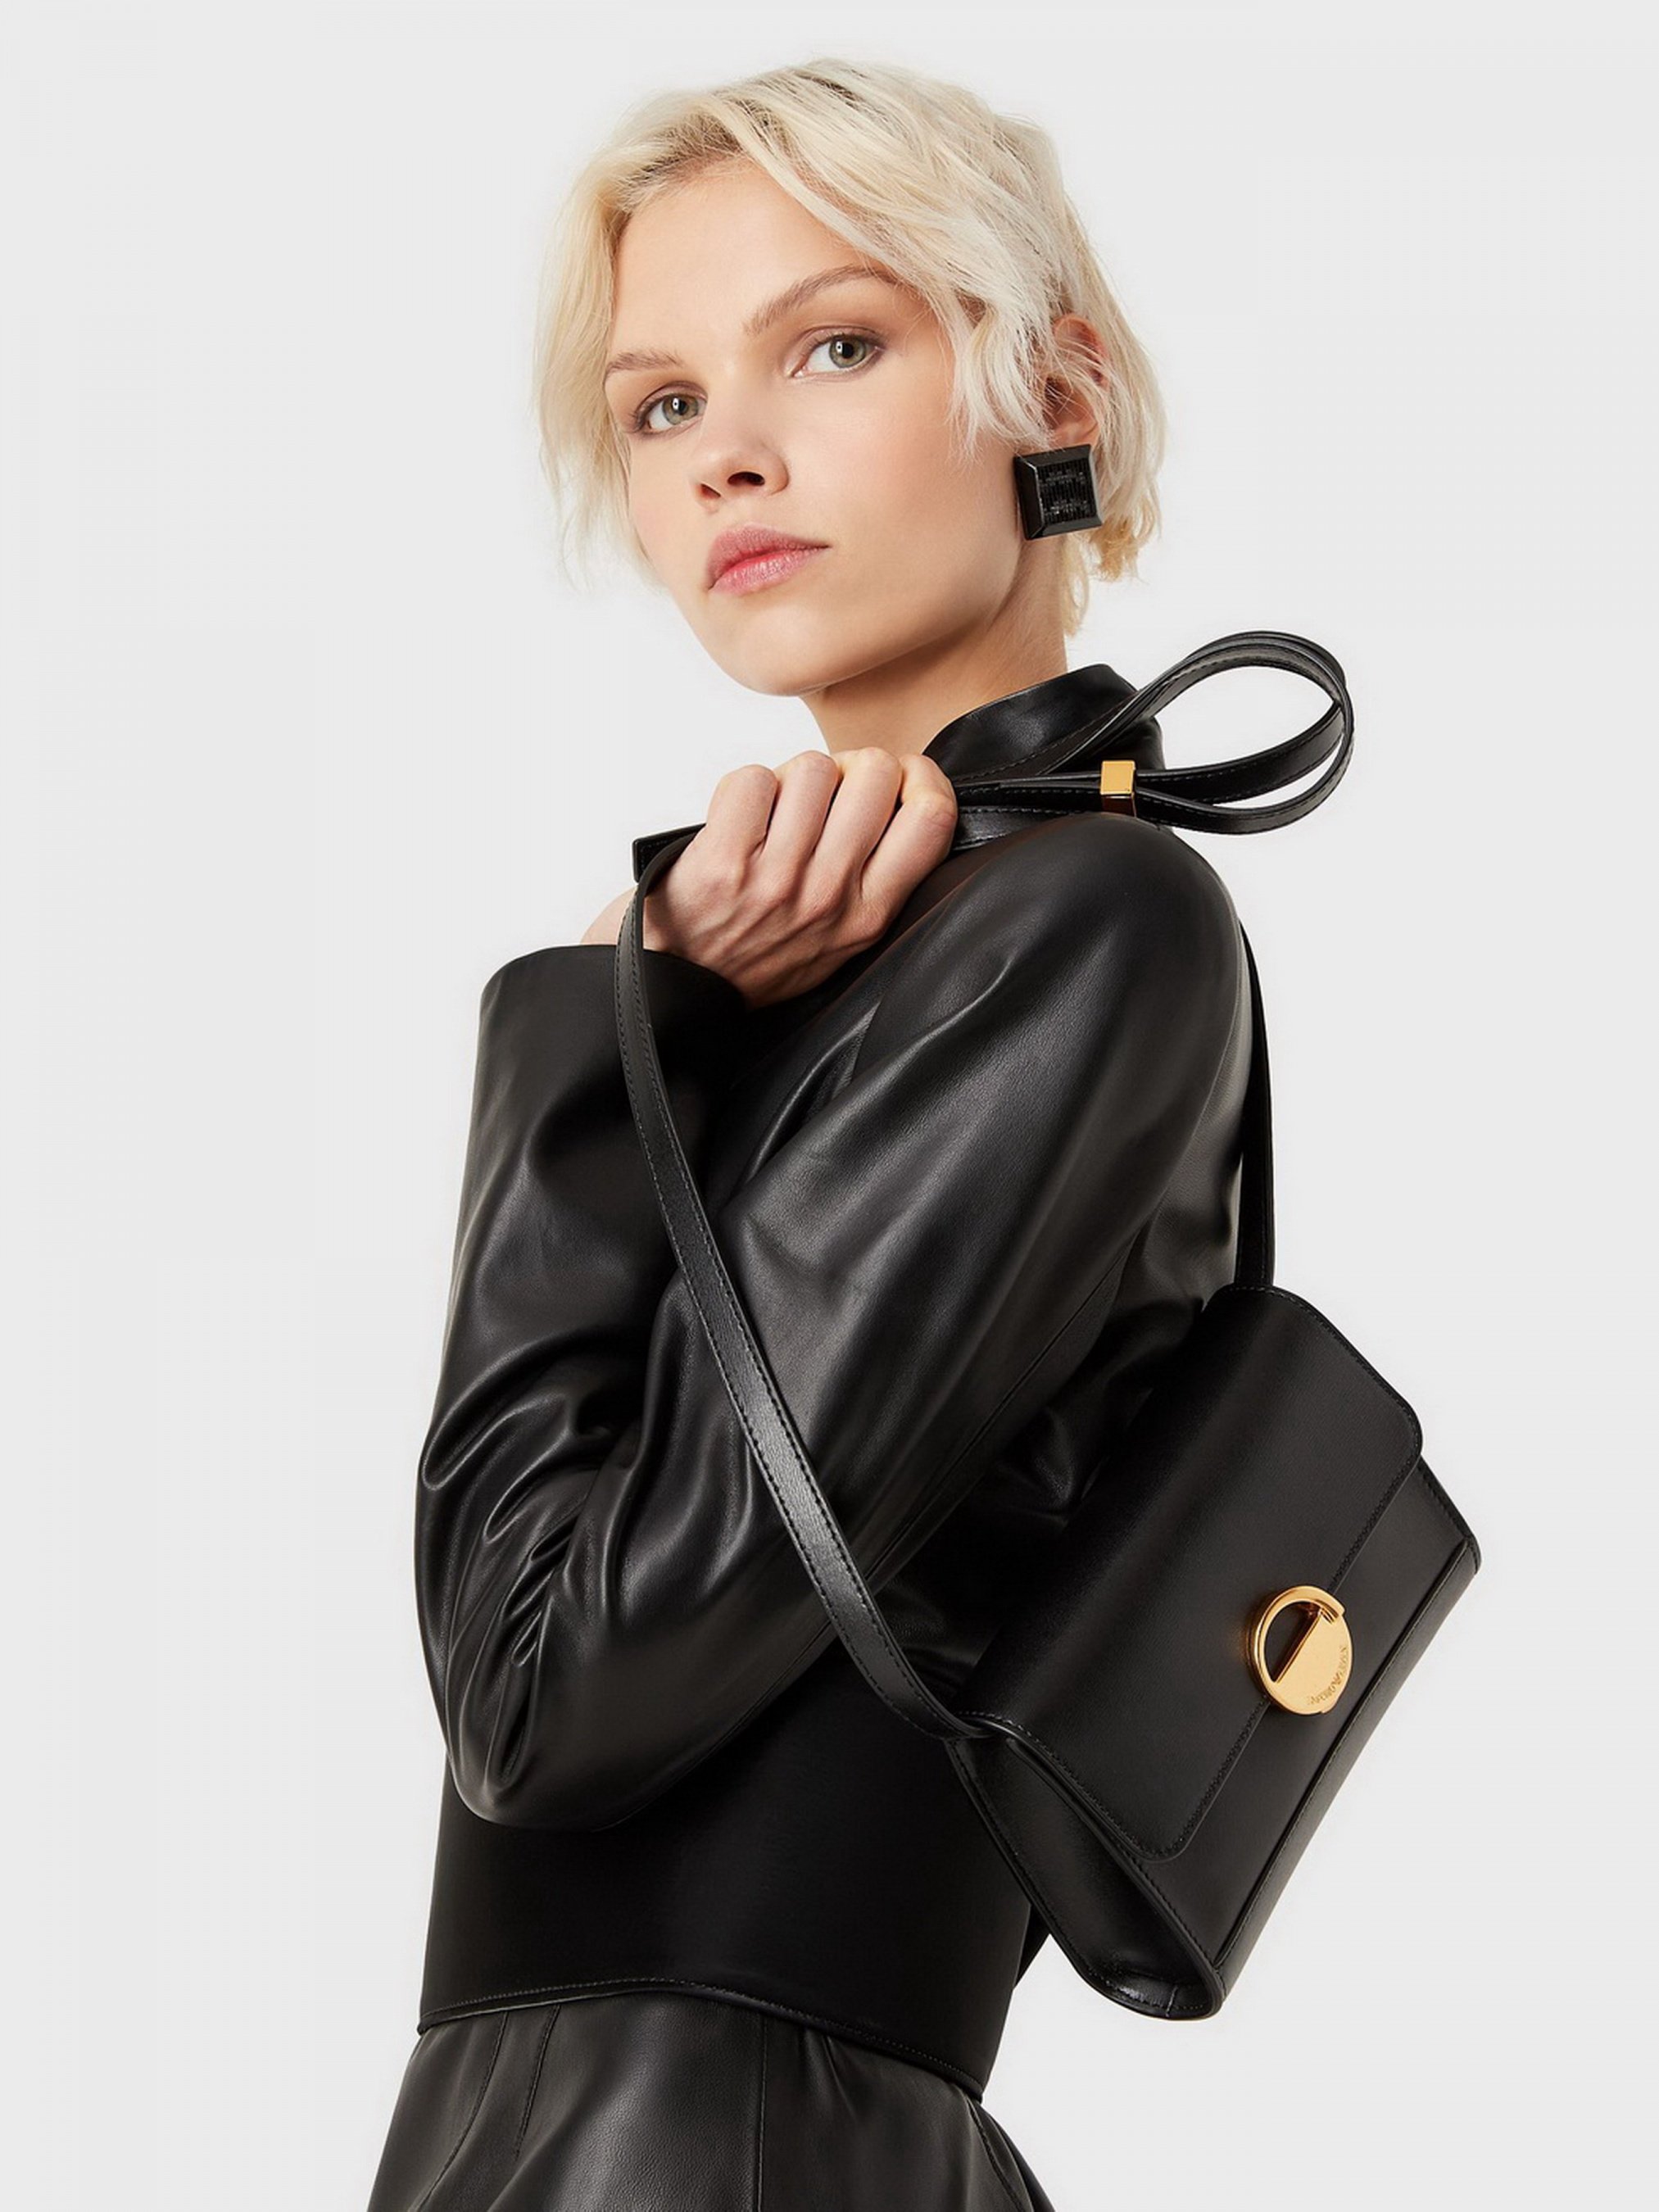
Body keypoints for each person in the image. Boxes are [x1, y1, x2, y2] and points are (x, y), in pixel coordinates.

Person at [365, 55, 1253, 2211]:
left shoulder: (1082, 922)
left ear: (1054, 392)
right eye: (660, 403)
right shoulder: (832, 962)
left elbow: (539, 1695)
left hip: (693, 2133)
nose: (724, 454)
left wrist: (587, 1034)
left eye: (833, 346)